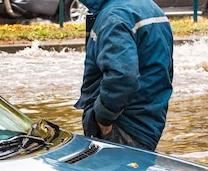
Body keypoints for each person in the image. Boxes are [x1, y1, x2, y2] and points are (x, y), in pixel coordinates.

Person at [74, 0, 173, 151]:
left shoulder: (114, 17)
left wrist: (103, 118)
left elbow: (122, 76)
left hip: (122, 126)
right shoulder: (149, 7)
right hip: (148, 122)